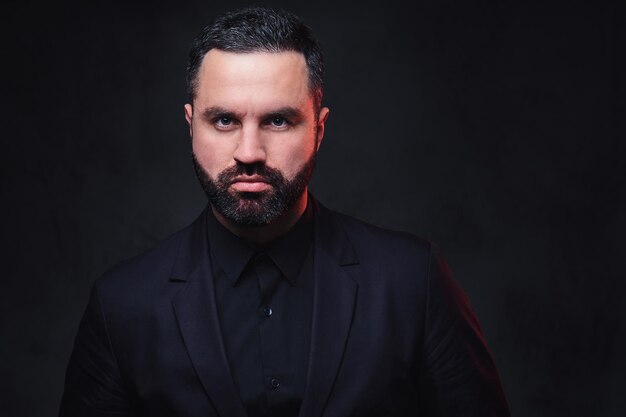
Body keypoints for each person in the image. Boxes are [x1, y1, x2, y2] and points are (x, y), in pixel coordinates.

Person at [59, 6, 510, 417]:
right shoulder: (122, 304)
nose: (249, 151)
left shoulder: (414, 281)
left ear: (319, 128)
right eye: (224, 120)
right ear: (189, 125)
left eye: (278, 120)